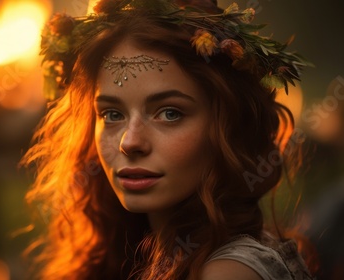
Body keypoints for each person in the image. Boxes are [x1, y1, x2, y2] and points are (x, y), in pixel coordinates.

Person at [22, 0, 315, 279]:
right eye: (111, 114)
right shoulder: (123, 250)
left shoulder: (228, 272)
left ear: (228, 127)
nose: (129, 142)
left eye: (170, 113)